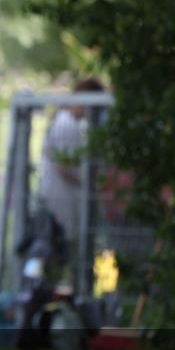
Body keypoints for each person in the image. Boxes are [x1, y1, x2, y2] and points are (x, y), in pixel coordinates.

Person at [36, 77, 105, 251]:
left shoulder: (68, 122)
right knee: (66, 248)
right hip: (61, 201)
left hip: (64, 200)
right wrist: (90, 183)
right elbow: (62, 168)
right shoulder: (66, 124)